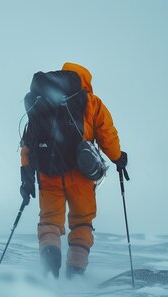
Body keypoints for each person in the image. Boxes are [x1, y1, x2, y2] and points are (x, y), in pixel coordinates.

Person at [19, 62, 127, 278]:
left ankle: (50, 272)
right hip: (81, 174)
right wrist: (118, 158)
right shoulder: (90, 101)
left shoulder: (43, 103)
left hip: (48, 173)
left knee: (49, 221)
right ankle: (75, 275)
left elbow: (27, 145)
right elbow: (107, 134)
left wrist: (26, 179)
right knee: (82, 222)